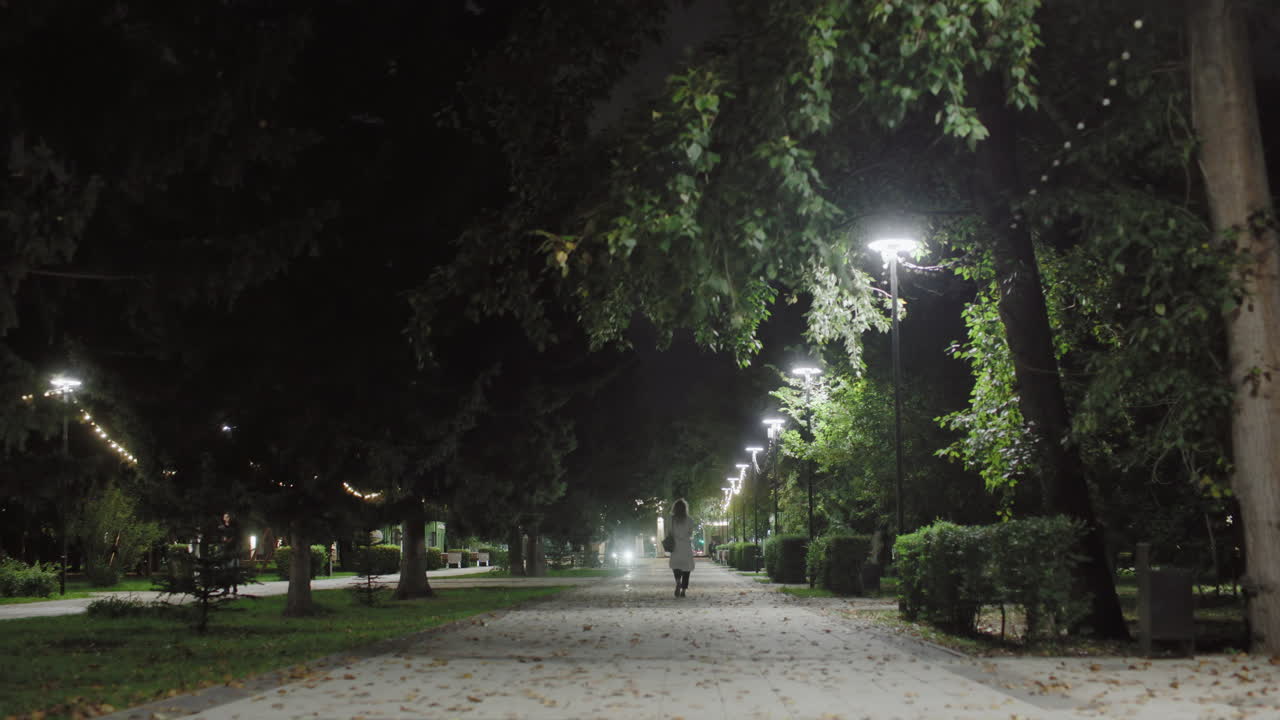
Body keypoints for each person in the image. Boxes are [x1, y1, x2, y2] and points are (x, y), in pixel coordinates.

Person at [667, 498, 695, 597]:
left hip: (675, 546)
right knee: (686, 569)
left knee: (676, 566)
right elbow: (690, 533)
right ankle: (683, 590)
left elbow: (669, 532)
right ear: (685, 508)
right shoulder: (690, 520)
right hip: (686, 547)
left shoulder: (671, 519)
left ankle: (678, 581)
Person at [217, 512, 241, 595]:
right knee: (225, 570)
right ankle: (226, 588)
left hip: (232, 551)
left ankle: (234, 587)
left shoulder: (233, 528)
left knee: (232, 570)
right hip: (224, 551)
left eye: (228, 517)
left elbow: (235, 538)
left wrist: (229, 541)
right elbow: (219, 539)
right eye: (225, 517)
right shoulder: (221, 528)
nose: (226, 518)